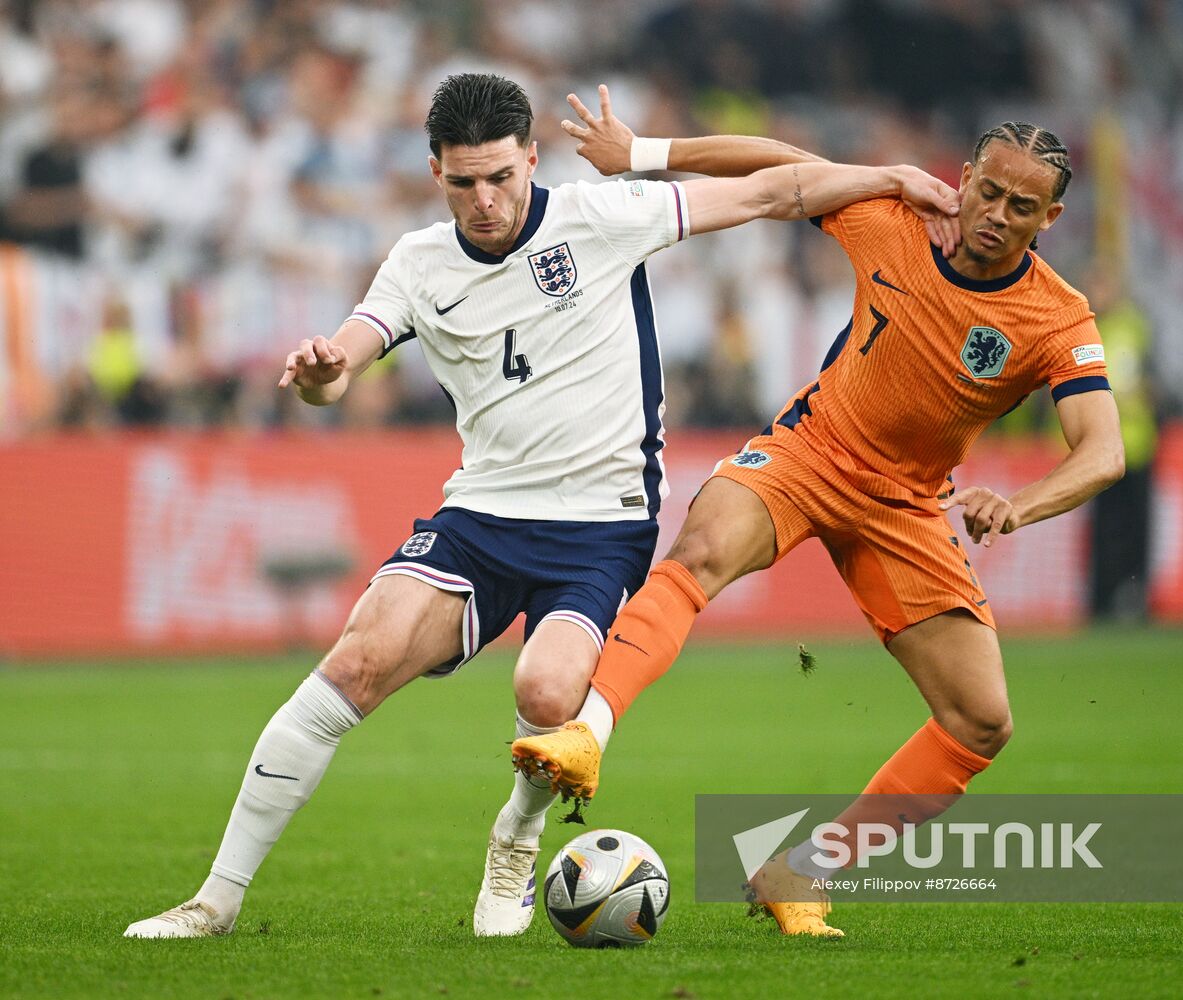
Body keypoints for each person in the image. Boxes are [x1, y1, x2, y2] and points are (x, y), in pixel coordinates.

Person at [123, 73, 963, 940]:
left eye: (500, 177)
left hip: (601, 528)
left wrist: (889, 175)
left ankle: (515, 840)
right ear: (434, 173)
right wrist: (323, 372)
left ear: (532, 157)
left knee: (548, 689)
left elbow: (770, 191)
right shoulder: (417, 262)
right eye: (462, 183)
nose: (485, 201)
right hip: (482, 517)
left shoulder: (601, 220)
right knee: (353, 663)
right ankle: (214, 903)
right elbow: (347, 359)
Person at [512, 92, 1125, 937]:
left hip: (907, 506)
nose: (995, 215)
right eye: (987, 191)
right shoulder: (893, 219)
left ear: (1050, 217)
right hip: (811, 452)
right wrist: (644, 153)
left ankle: (801, 873)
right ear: (964, 178)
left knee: (980, 722)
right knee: (699, 553)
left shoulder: (1056, 316)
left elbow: (1103, 451)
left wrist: (1017, 505)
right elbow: (779, 166)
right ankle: (585, 732)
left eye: (1021, 207)